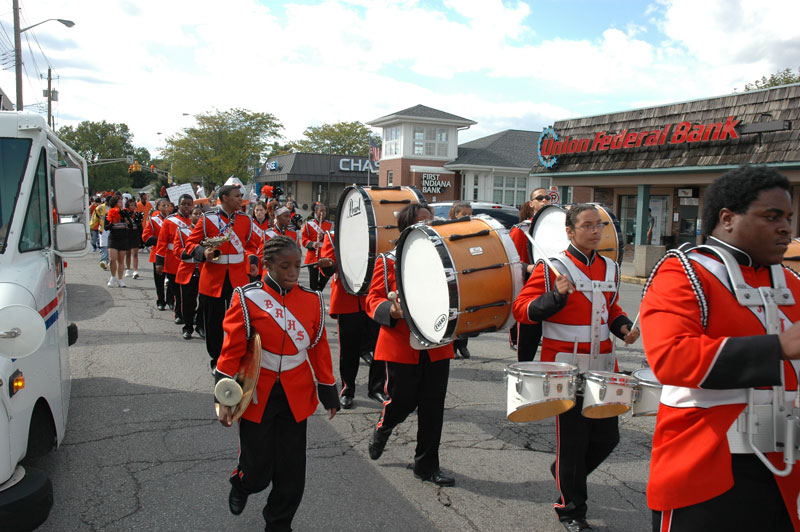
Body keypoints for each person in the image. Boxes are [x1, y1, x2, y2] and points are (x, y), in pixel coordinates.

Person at [640, 166, 800, 532]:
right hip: (707, 471)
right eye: (771, 217)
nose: (786, 229)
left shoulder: (792, 280)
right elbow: (671, 358)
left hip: (786, 468)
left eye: (789, 218)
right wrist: (777, 347)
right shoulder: (683, 273)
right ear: (727, 218)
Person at [512, 203, 638, 532]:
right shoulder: (552, 267)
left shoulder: (611, 268)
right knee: (573, 442)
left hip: (604, 366)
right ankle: (571, 511)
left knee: (607, 438)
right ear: (569, 231)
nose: (596, 231)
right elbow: (522, 309)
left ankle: (566, 472)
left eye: (599, 225)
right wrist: (554, 297)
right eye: (587, 226)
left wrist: (623, 327)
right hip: (563, 369)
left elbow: (611, 309)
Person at [215, 235, 340, 532]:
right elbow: (232, 349)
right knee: (257, 470)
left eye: (297, 265)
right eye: (285, 266)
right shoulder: (246, 298)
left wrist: (328, 387)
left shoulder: (311, 300)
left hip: (296, 393)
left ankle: (279, 524)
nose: (293, 272)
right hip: (257, 391)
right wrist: (224, 396)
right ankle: (243, 484)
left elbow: (318, 346)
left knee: (292, 472)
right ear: (267, 265)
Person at [365, 203, 456, 487]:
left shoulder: (447, 261)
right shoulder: (387, 261)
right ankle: (384, 427)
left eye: (431, 222)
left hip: (438, 344)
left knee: (433, 408)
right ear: (406, 229)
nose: (429, 227)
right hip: (401, 345)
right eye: (422, 223)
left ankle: (426, 466)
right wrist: (389, 311)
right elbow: (372, 300)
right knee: (401, 402)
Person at [186, 185, 261, 369]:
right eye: (237, 196)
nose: (240, 199)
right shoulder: (207, 219)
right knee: (214, 323)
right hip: (213, 278)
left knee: (240, 322)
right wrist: (203, 252)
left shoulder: (245, 220)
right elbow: (190, 243)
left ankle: (237, 358)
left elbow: (253, 245)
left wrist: (252, 261)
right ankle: (217, 360)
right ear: (225, 198)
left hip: (238, 278)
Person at [318, 229, 384, 409]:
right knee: (349, 350)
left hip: (373, 297)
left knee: (380, 345)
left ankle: (377, 388)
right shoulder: (333, 235)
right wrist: (327, 265)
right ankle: (348, 389)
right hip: (347, 299)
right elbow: (329, 267)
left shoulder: (375, 231)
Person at [509, 187, 552, 361]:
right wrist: (528, 268)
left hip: (554, 289)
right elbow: (511, 261)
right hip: (531, 290)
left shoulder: (559, 229)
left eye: (547, 197)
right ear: (531, 203)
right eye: (540, 198)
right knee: (527, 345)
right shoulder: (522, 230)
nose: (544, 200)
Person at [156, 195, 194, 326]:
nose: (186, 207)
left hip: (191, 262)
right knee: (177, 291)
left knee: (190, 293)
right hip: (173, 261)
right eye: (184, 204)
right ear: (178, 205)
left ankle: (189, 314)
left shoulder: (197, 221)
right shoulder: (169, 221)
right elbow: (162, 242)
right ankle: (179, 314)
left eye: (189, 204)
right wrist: (159, 262)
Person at [174, 204, 204, 340]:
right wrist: (193, 252)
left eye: (200, 214)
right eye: (195, 214)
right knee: (187, 302)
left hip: (204, 271)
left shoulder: (208, 232)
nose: (198, 216)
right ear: (191, 216)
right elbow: (177, 250)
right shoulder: (182, 231)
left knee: (204, 302)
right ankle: (188, 327)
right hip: (187, 270)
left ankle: (200, 325)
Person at [449, 201, 474, 359]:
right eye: (463, 214)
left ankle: (462, 345)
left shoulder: (472, 228)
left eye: (469, 214)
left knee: (466, 312)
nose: (467, 217)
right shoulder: (448, 228)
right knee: (453, 312)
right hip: (453, 273)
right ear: (456, 214)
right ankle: (451, 346)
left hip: (468, 273)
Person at [142, 199, 171, 310]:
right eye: (163, 205)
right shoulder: (153, 220)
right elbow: (146, 237)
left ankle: (170, 299)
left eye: (167, 205)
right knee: (159, 280)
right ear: (158, 207)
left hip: (171, 254)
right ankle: (160, 301)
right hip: (158, 253)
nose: (166, 207)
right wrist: (161, 240)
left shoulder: (173, 219)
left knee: (172, 280)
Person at [301, 203, 333, 291]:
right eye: (321, 210)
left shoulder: (330, 225)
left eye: (325, 211)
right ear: (316, 212)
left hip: (325, 256)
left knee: (325, 277)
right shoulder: (308, 224)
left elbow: (332, 240)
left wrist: (324, 236)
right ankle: (315, 297)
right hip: (312, 257)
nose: (323, 213)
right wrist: (312, 244)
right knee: (313, 282)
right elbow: (304, 240)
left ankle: (318, 291)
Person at [104, 195, 131, 287]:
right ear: (114, 203)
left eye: (121, 202)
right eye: (119, 202)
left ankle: (120, 279)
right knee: (112, 259)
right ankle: (113, 276)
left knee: (121, 260)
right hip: (113, 238)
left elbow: (130, 226)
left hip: (123, 238)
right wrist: (112, 223)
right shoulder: (108, 213)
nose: (121, 204)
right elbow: (106, 227)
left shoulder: (124, 213)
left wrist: (127, 219)